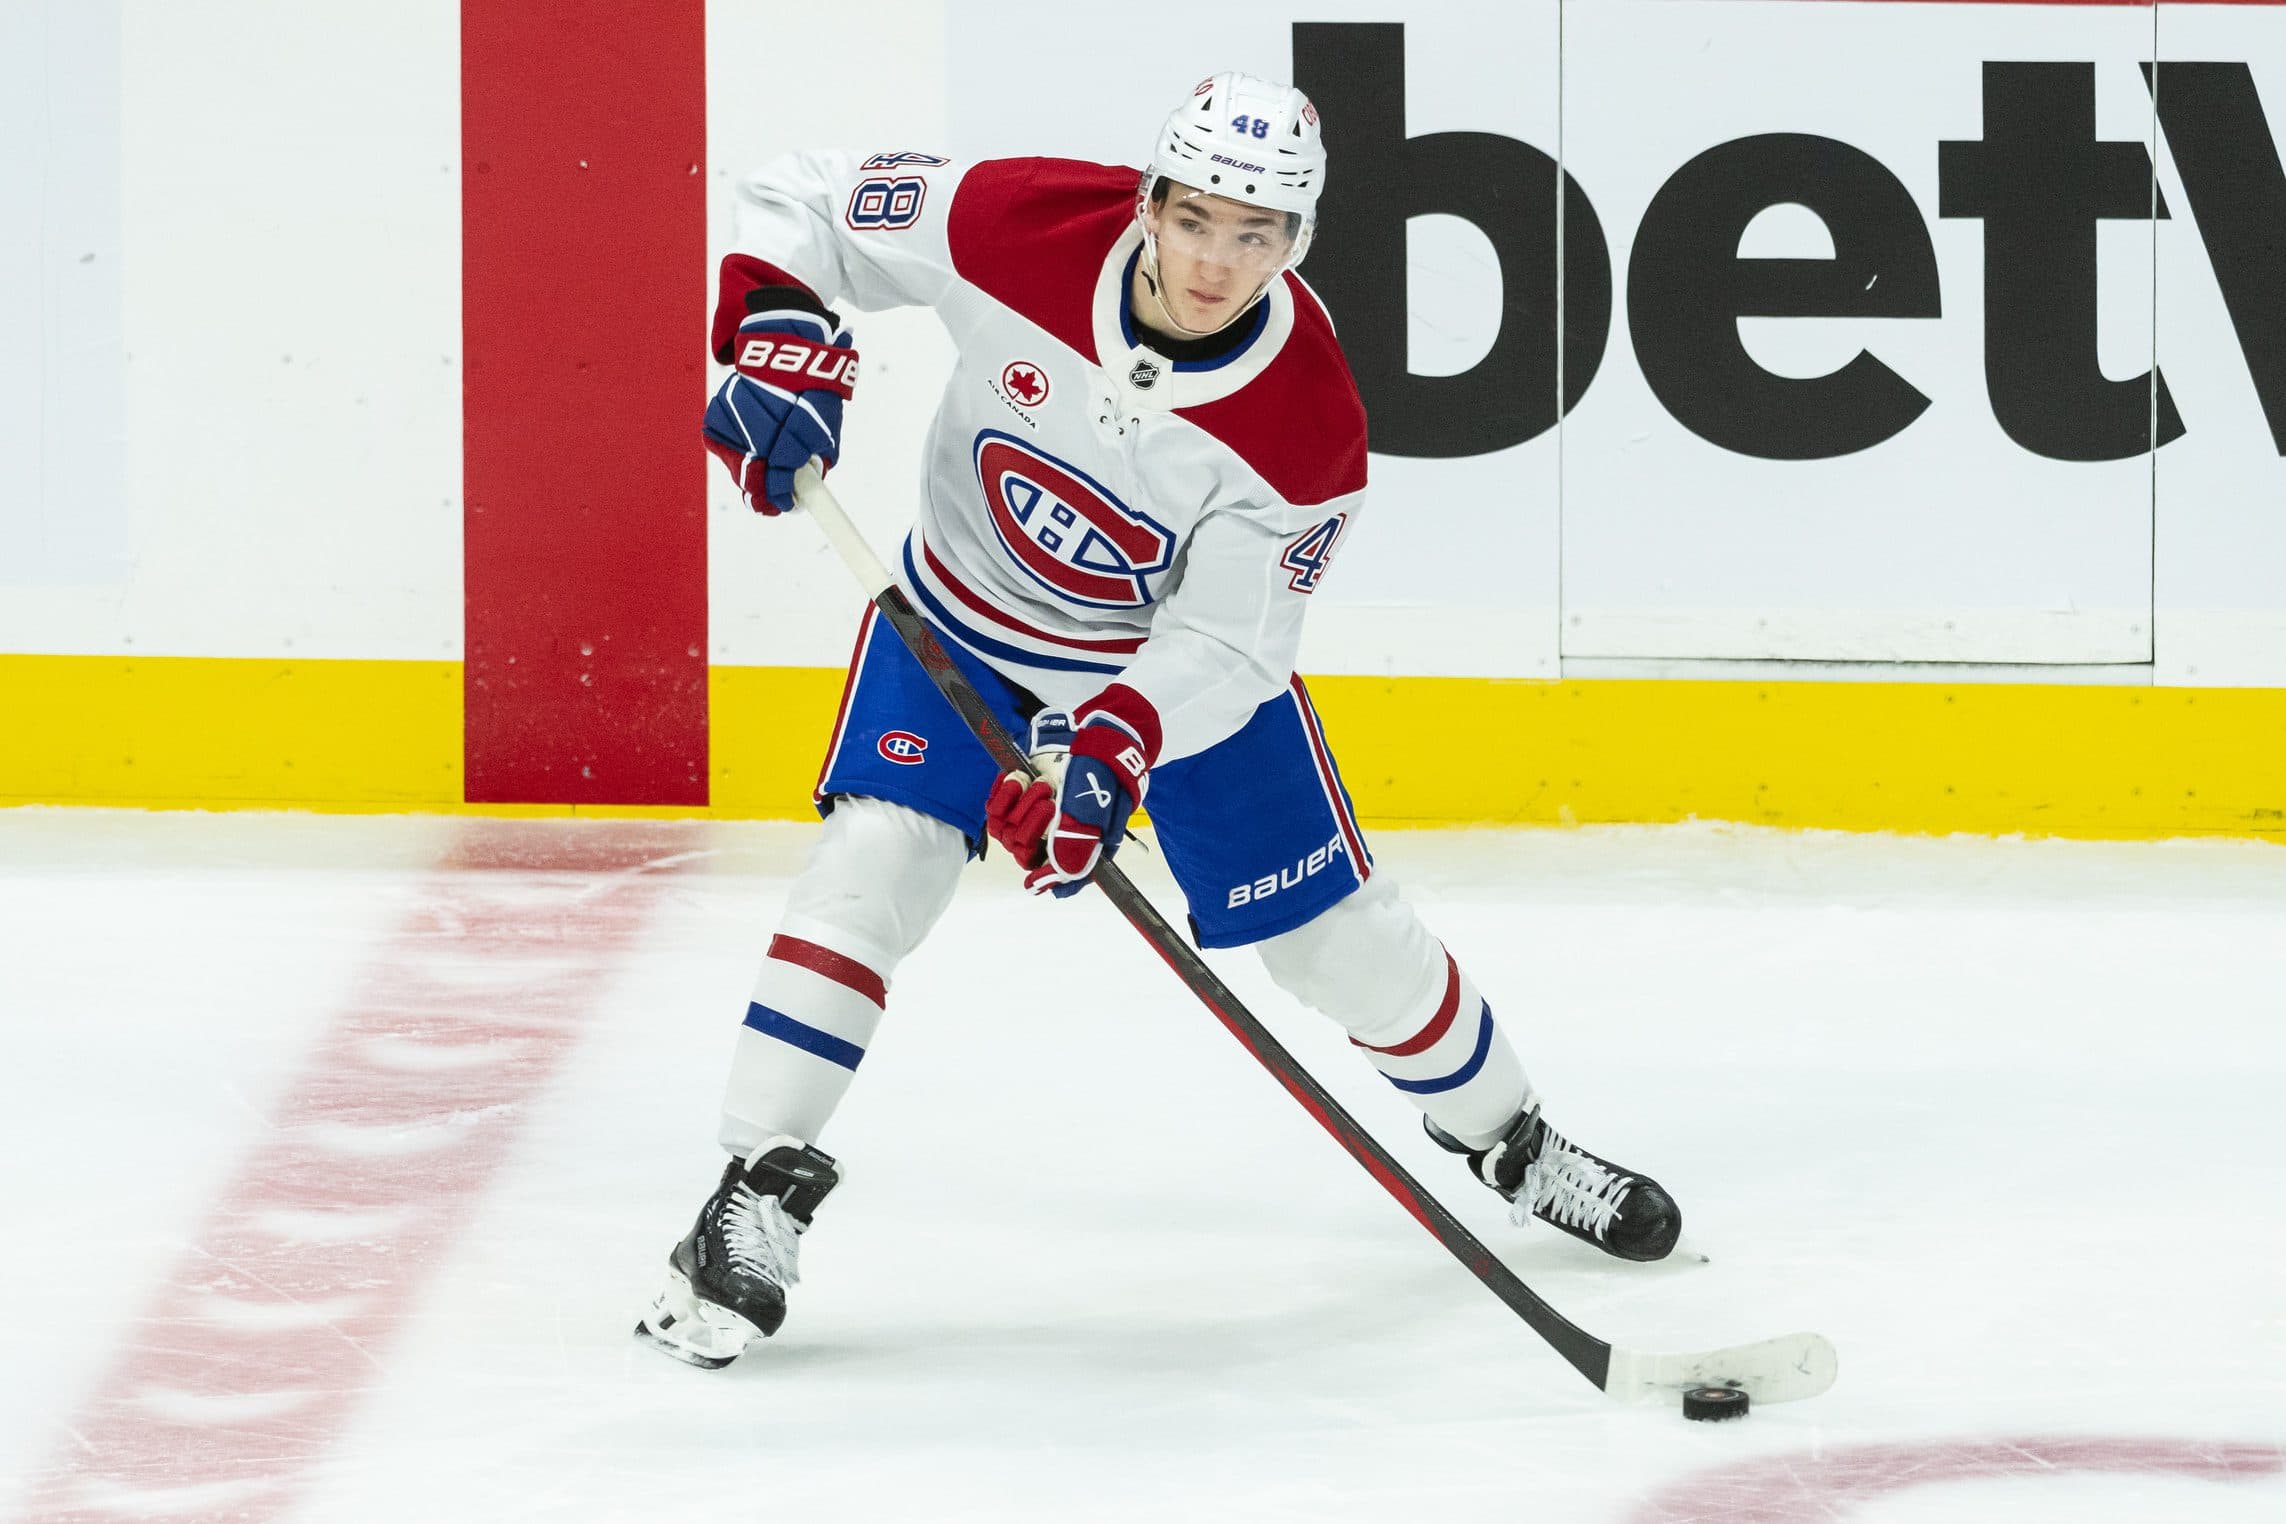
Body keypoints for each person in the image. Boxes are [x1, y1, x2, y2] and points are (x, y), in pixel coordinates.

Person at [636, 72, 1680, 1370]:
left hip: (1166, 687)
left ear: (1293, 242)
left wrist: (1107, 748)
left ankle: (1513, 1139)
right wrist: (776, 325)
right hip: (957, 621)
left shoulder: (1306, 423)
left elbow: (1230, 645)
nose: (1215, 260)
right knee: (873, 867)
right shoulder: (1018, 223)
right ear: (1151, 200)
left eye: (1256, 235)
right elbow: (808, 198)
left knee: (1337, 949)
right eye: (1195, 220)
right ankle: (753, 1188)